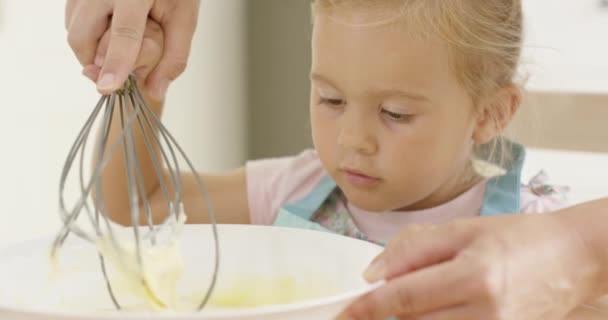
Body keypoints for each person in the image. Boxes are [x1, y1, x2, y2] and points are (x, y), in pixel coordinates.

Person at [65, 0, 608, 319]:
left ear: (490, 113)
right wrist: (142, 83)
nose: (352, 140)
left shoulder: (535, 236)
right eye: (330, 100)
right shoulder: (299, 189)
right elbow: (140, 204)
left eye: (394, 113)